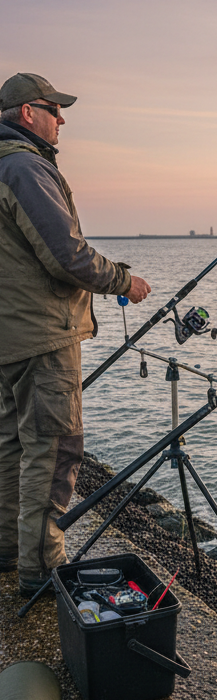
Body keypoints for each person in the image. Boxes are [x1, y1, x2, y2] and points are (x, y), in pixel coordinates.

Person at [0, 72, 151, 596]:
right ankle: (40, 573)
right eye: (53, 109)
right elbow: (65, 254)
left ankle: (8, 553)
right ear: (27, 113)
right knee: (54, 451)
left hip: (9, 340)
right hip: (42, 340)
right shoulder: (24, 167)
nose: (61, 119)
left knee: (13, 449)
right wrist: (124, 281)